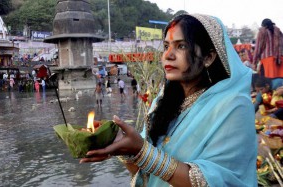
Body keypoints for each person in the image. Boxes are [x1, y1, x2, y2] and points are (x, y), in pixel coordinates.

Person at [80, 14, 257, 186]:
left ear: (209, 57)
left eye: (181, 46)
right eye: (166, 46)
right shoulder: (163, 102)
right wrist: (121, 145)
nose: (167, 56)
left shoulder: (234, 106)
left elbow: (213, 182)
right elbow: (143, 173)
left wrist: (142, 152)